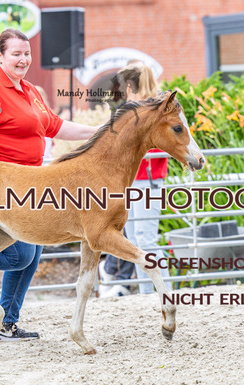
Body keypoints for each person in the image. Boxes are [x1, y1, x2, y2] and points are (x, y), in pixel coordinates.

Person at [0, 29, 99, 340]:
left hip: (29, 185)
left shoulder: (30, 90)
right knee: (18, 256)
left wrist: (100, 130)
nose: (23, 59)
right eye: (16, 54)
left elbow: (56, 126)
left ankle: (7, 323)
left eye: (27, 53)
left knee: (31, 255)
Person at [99, 63, 171, 296]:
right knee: (134, 242)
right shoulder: (130, 109)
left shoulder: (159, 108)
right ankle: (146, 292)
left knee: (145, 240)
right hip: (129, 181)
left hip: (148, 180)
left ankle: (163, 291)